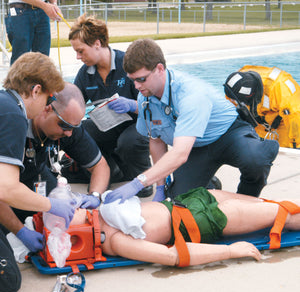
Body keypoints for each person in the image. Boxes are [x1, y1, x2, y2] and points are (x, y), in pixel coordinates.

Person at [104, 38, 279, 205]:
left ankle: (248, 198)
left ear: (159, 69)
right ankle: (209, 185)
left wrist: (138, 183)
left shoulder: (190, 95)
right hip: (195, 146)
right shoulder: (146, 99)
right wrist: (160, 186)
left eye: (141, 79)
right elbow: (156, 142)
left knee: (255, 160)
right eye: (132, 80)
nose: (137, 87)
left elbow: (179, 153)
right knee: (181, 200)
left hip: (228, 135)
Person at [71, 187, 300, 267]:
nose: (70, 206)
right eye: (66, 214)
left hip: (192, 200)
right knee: (283, 214)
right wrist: (230, 251)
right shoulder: (114, 240)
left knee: (267, 204)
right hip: (202, 220)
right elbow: (174, 255)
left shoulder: (101, 212)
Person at [0, 52, 74, 292]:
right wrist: (50, 204)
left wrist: (20, 230)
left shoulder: (4, 104)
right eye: (48, 98)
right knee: (7, 280)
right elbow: (7, 189)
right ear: (35, 90)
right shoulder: (13, 115)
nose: (46, 105)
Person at [68, 14, 153, 197]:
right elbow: (74, 105)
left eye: (81, 51)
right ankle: (109, 170)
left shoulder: (128, 63)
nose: (77, 57)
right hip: (107, 126)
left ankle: (143, 177)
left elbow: (153, 107)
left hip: (137, 124)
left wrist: (132, 104)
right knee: (79, 131)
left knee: (128, 142)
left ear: (97, 44)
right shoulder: (85, 74)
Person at [11, 82, 110, 224]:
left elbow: (100, 166)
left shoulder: (68, 125)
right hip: (7, 183)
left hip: (37, 174)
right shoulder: (13, 125)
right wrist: (19, 231)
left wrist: (94, 195)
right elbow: (5, 189)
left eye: (73, 127)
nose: (69, 133)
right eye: (65, 126)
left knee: (67, 217)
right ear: (46, 109)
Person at [224, 65, 300, 148]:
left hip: (285, 122)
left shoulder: (281, 88)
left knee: (288, 148)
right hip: (260, 121)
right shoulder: (235, 85)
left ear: (251, 94)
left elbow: (295, 119)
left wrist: (296, 145)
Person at [5, 0, 63, 65]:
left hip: (43, 10)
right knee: (20, 60)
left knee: (43, 61)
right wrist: (45, 6)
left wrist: (54, 4)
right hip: (21, 9)